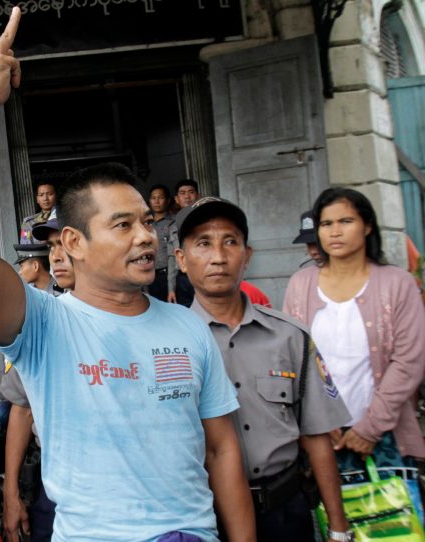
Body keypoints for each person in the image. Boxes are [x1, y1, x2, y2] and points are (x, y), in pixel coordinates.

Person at [0, 4, 255, 540]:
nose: (144, 236)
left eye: (145, 222)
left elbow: (222, 447)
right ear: (73, 244)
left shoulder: (187, 326)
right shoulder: (44, 325)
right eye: (121, 225)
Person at [175, 197, 351, 542]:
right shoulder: (167, 343)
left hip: (285, 509)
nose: (218, 257)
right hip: (203, 517)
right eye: (203, 244)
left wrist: (338, 526)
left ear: (247, 255)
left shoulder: (290, 336)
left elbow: (315, 435)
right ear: (181, 260)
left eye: (230, 242)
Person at [283, 187, 425, 502]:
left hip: (384, 435)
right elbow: (292, 357)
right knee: (335, 527)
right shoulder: (301, 285)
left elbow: (409, 361)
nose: (334, 232)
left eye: (345, 221)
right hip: (323, 437)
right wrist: (319, 421)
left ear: (368, 225)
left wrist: (369, 428)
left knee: (391, 528)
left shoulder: (397, 283)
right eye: (325, 223)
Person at [2, 211, 72, 542]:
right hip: (55, 479)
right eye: (53, 245)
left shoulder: (146, 322)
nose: (57, 255)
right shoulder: (41, 323)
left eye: (69, 243)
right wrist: (11, 490)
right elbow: (22, 406)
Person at [167, 179, 200, 306]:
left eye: (191, 192)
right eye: (182, 193)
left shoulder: (208, 221)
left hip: (203, 274)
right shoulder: (173, 227)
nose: (187, 196)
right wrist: (171, 289)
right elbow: (171, 258)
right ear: (176, 199)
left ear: (198, 196)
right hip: (183, 279)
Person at [146, 184, 173, 301]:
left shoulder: (173, 222)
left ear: (167, 200)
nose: (157, 201)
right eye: (153, 198)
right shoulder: (145, 224)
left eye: (160, 197)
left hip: (168, 274)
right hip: (149, 274)